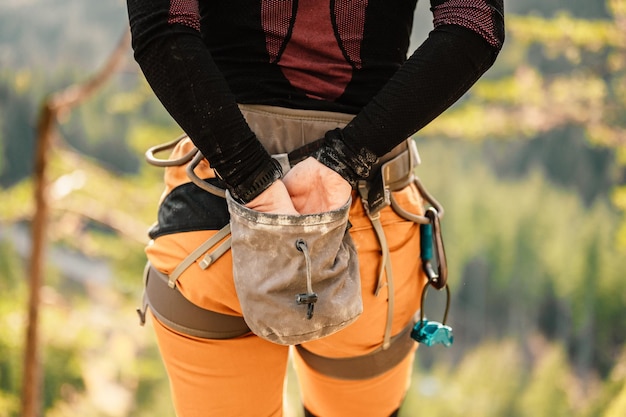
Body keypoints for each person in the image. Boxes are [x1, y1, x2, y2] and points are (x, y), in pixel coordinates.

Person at [126, 0, 505, 416]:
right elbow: (474, 24)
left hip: (213, 225)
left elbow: (162, 30)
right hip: (365, 225)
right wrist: (343, 162)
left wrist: (253, 180)